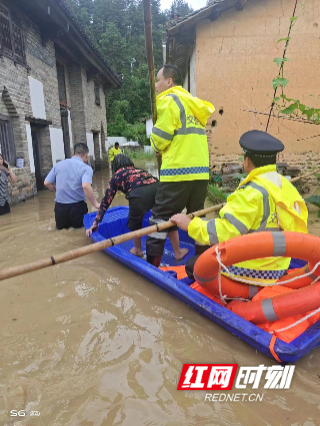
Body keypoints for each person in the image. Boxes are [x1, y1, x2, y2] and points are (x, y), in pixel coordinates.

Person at [171, 130, 308, 290]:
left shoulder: (250, 193)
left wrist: (190, 225)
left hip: (254, 270)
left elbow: (223, 232)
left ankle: (237, 292)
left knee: (192, 265)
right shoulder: (284, 185)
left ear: (247, 161)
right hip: (278, 267)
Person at [146, 64, 215, 267]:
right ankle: (203, 262)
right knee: (197, 217)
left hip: (177, 173)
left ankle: (153, 266)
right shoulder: (193, 104)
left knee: (159, 219)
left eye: (158, 80)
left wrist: (154, 144)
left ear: (169, 82)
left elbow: (160, 139)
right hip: (200, 174)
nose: (156, 85)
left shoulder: (169, 100)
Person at [86, 154, 188, 259]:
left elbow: (106, 201)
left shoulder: (117, 176)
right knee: (168, 219)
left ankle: (138, 250)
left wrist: (96, 222)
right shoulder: (138, 170)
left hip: (138, 193)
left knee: (135, 222)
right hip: (159, 189)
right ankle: (178, 252)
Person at [44, 143, 100, 230]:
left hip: (60, 208)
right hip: (77, 208)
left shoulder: (58, 165)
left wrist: (56, 190)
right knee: (79, 233)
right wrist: (95, 204)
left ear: (73, 153)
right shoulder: (86, 168)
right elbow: (86, 186)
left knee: (61, 233)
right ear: (86, 155)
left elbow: (46, 183)